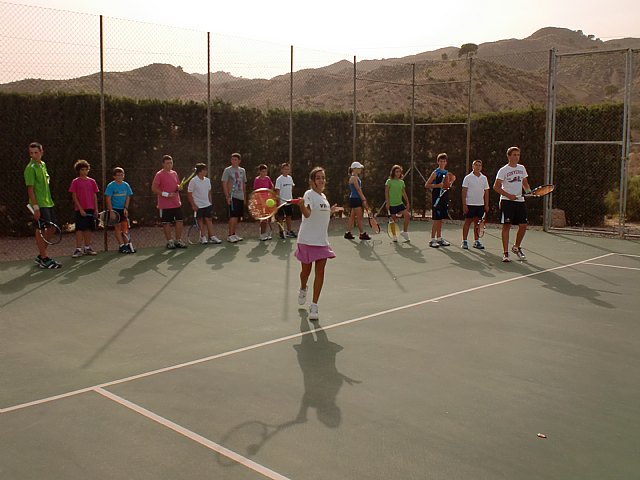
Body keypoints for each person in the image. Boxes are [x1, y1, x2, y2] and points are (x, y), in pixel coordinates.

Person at [295, 167, 344, 321]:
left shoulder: (323, 197)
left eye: (323, 177)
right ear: (312, 181)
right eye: (318, 178)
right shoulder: (309, 194)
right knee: (305, 273)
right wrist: (302, 205)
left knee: (320, 272)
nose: (321, 180)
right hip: (307, 240)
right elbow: (308, 213)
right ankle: (303, 287)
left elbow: (320, 214)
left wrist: (331, 211)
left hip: (321, 241)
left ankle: (314, 305)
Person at [24, 142, 62, 269]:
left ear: (41, 152)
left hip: (48, 202)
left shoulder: (43, 165)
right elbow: (30, 189)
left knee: (52, 228)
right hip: (38, 204)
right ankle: (44, 258)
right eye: (31, 153)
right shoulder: (30, 168)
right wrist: (35, 207)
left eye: (36, 152)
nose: (34, 155)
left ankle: (41, 255)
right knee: (40, 229)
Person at [493, 146, 531, 262]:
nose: (516, 157)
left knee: (523, 225)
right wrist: (509, 195)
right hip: (506, 201)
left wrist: (529, 192)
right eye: (514, 155)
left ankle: (516, 247)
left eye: (518, 155)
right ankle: (505, 253)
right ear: (509, 156)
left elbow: (525, 183)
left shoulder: (522, 168)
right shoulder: (503, 170)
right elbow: (496, 187)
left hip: (520, 201)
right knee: (506, 226)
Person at [151, 154, 186, 249]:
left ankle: (178, 240)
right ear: (163, 164)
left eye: (171, 163)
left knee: (179, 221)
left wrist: (180, 187)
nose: (169, 165)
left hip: (176, 203)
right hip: (165, 204)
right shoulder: (159, 174)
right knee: (166, 223)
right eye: (167, 163)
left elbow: (178, 186)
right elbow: (154, 188)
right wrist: (166, 194)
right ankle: (170, 241)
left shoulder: (174, 173)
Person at [68, 159, 99, 258]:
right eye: (82, 169)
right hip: (80, 209)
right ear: (78, 170)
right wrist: (80, 209)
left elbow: (94, 196)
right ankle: (78, 249)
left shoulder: (92, 181)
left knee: (88, 228)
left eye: (86, 169)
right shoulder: (75, 182)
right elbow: (74, 196)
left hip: (91, 208)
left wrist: (96, 209)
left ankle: (87, 247)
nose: (84, 171)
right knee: (80, 229)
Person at [425, 153, 456, 248]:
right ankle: (432, 239)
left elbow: (447, 186)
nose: (442, 163)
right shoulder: (435, 172)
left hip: (444, 197)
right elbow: (427, 185)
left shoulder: (446, 173)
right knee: (436, 219)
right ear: (438, 162)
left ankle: (439, 238)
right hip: (436, 199)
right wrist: (437, 186)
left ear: (446, 162)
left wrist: (450, 183)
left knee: (440, 219)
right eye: (440, 161)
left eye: (444, 161)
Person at [187, 163, 222, 245]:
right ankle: (203, 237)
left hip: (207, 204)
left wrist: (210, 202)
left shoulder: (207, 180)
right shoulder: (193, 181)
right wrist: (193, 205)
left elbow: (209, 192)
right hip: (198, 205)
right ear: (199, 172)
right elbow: (189, 193)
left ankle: (212, 236)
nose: (206, 171)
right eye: (204, 170)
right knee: (200, 220)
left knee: (209, 220)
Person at [104, 167, 135, 253]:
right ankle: (121, 245)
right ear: (114, 176)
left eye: (122, 175)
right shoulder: (111, 186)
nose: (120, 176)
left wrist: (126, 208)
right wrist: (111, 211)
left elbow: (128, 197)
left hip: (123, 210)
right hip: (115, 209)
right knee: (117, 227)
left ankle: (127, 245)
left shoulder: (126, 185)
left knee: (124, 228)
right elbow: (108, 199)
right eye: (118, 175)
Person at [461, 159, 490, 250]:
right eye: (476, 165)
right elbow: (464, 191)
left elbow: (486, 192)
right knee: (467, 222)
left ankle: (476, 241)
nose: (477, 167)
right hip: (470, 204)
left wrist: (486, 204)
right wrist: (464, 204)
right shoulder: (468, 178)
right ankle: (464, 241)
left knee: (477, 224)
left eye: (479, 165)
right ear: (473, 166)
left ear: (481, 167)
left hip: (480, 205)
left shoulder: (484, 178)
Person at [221, 152, 247, 243]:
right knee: (233, 216)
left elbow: (243, 184)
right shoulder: (227, 170)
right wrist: (227, 196)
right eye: (232, 159)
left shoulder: (242, 170)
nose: (233, 161)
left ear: (239, 161)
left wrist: (244, 197)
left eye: (235, 159)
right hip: (232, 196)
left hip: (240, 196)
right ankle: (230, 235)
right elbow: (224, 183)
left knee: (237, 216)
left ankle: (234, 234)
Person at [344, 161, 370, 241]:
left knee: (352, 216)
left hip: (355, 199)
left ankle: (347, 233)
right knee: (359, 217)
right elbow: (358, 190)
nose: (360, 169)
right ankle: (362, 234)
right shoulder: (353, 178)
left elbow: (359, 189)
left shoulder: (356, 177)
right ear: (354, 169)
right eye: (358, 168)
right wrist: (364, 199)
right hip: (355, 199)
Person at [384, 164, 411, 242]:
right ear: (393, 172)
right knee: (393, 220)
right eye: (396, 172)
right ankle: (394, 236)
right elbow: (386, 192)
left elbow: (404, 193)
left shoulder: (401, 182)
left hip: (400, 203)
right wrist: (387, 202)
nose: (398, 173)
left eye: (399, 172)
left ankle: (405, 232)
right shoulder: (389, 181)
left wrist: (407, 202)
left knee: (407, 215)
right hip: (392, 204)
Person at [274, 162, 297, 239]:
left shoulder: (290, 178)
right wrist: (278, 202)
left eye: (288, 169)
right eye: (285, 169)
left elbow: (292, 187)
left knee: (289, 216)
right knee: (280, 217)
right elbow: (277, 191)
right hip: (281, 203)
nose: (286, 170)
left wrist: (290, 198)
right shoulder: (279, 179)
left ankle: (289, 231)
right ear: (282, 170)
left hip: (289, 201)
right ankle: (281, 232)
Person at [253, 164, 275, 241]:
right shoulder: (257, 180)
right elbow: (256, 191)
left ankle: (265, 233)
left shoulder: (267, 178)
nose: (264, 173)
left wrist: (270, 195)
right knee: (263, 218)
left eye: (266, 171)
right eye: (263, 171)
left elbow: (271, 187)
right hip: (260, 202)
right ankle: (262, 234)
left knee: (268, 218)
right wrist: (261, 201)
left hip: (268, 201)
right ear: (259, 171)